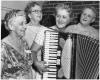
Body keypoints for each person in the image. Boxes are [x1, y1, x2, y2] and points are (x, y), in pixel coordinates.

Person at [31, 3, 73, 79]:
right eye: (58, 16)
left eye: (64, 17)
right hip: (46, 73)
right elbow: (32, 51)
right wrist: (36, 63)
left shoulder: (71, 37)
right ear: (55, 16)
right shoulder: (44, 31)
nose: (60, 19)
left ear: (69, 20)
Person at [1, 9, 33, 79]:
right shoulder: (2, 47)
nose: (25, 26)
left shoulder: (25, 44)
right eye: (21, 24)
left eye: (25, 23)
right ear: (11, 26)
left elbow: (29, 69)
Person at [23, 1, 44, 79]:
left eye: (40, 11)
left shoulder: (45, 29)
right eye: (36, 11)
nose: (39, 13)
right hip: (30, 67)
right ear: (29, 15)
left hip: (43, 65)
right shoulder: (24, 29)